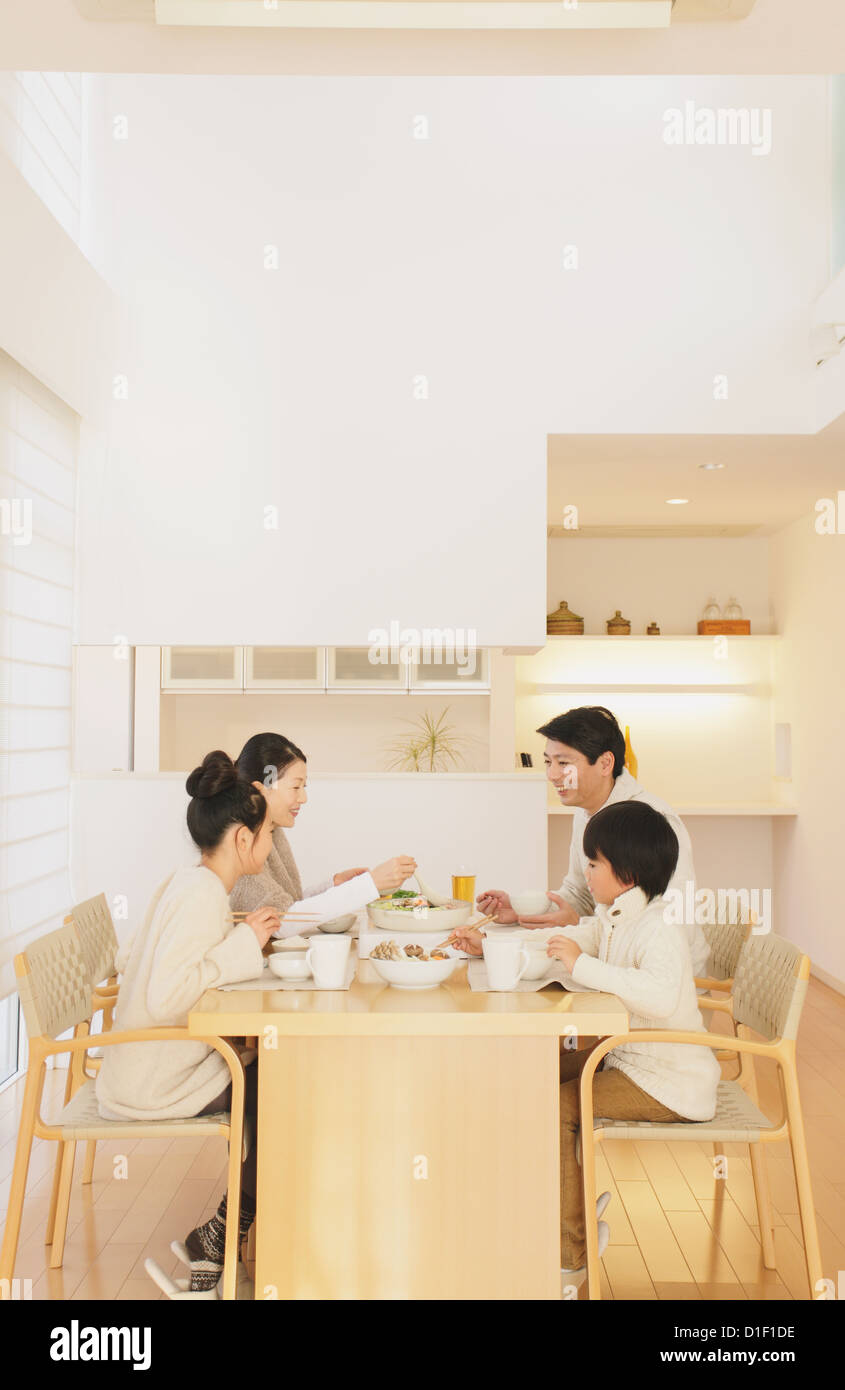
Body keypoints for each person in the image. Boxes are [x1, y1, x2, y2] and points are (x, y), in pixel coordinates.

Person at [470, 801, 720, 1287]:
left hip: (669, 1081)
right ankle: (567, 1201)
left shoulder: (660, 927)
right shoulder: (616, 914)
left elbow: (660, 998)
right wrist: (492, 946)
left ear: (625, 873)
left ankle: (572, 1253)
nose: (584, 874)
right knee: (535, 1074)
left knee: (560, 1106)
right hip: (628, 1057)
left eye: (592, 864)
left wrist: (580, 965)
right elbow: (570, 937)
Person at [96, 750, 281, 1295]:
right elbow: (169, 994)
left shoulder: (189, 882)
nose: (269, 846)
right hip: (152, 1080)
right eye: (266, 832)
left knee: (268, 1074)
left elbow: (138, 961)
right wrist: (244, 942)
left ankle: (221, 1233)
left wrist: (235, 936)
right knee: (278, 1088)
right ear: (243, 840)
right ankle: (222, 1236)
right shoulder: (201, 895)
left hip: (142, 1064)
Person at [477, 705, 710, 977]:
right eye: (548, 762)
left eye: (564, 763)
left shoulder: (655, 822)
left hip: (658, 981)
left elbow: (669, 918)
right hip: (609, 960)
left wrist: (578, 923)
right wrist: (522, 910)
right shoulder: (586, 810)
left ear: (605, 763)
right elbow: (578, 892)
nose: (552, 775)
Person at [230, 732, 416, 932]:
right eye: (295, 786)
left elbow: (287, 905)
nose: (303, 797)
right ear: (261, 788)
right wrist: (370, 884)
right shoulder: (242, 839)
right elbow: (281, 923)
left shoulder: (269, 829)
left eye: (304, 786)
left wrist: (333, 884)